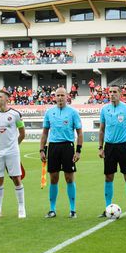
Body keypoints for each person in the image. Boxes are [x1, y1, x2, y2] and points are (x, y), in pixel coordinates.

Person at [40, 86, 82, 218]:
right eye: (57, 95)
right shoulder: (49, 112)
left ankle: (73, 210)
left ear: (67, 96)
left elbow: (79, 133)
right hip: (53, 147)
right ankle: (52, 209)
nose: (60, 98)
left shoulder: (73, 112)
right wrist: (42, 149)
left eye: (62, 95)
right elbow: (45, 133)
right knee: (54, 178)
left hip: (68, 147)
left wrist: (78, 150)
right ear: (54, 97)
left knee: (69, 178)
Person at [97, 85, 126, 216]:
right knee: (108, 177)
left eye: (115, 92)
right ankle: (107, 208)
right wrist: (100, 147)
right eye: (110, 92)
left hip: (123, 147)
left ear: (120, 94)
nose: (112, 94)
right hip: (109, 147)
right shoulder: (104, 109)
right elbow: (102, 129)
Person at [0, 88, 27, 219]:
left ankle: (21, 208)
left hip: (12, 151)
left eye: (0, 97)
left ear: (6, 99)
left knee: (16, 178)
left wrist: (14, 146)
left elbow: (22, 133)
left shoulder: (16, 114)